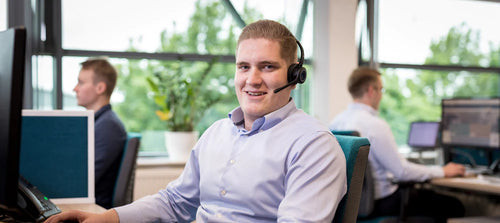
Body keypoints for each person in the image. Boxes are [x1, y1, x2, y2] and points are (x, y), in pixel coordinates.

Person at [45, 20, 347, 223]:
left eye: (267, 67)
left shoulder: (313, 144)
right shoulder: (217, 132)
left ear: (295, 76)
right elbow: (176, 201)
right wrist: (106, 218)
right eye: (244, 67)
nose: (252, 80)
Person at [329, 67, 466, 222]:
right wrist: (442, 171)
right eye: (380, 89)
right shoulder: (375, 125)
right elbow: (402, 171)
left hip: (351, 205)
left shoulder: (335, 123)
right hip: (382, 202)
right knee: (456, 205)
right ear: (371, 90)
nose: (381, 95)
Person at [74, 58, 127, 209]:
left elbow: (83, 179)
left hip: (94, 209)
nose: (75, 88)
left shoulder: (108, 126)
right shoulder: (97, 122)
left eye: (81, 82)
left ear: (100, 88)